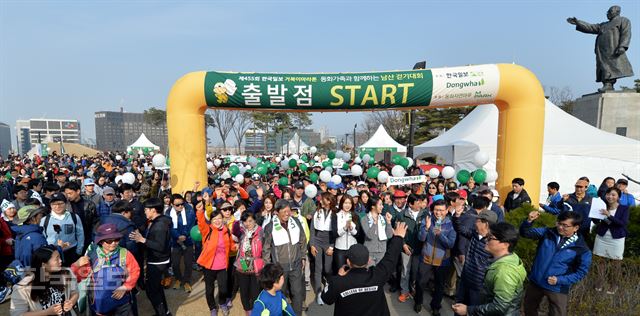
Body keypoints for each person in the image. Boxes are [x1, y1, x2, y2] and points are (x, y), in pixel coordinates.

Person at [320, 222, 408, 316]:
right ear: (368, 260)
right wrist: (398, 237)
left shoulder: (338, 282)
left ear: (348, 262)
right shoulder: (377, 275)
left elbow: (326, 299)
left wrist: (338, 277)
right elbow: (390, 258)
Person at [520, 210, 592, 316]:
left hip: (557, 287)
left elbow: (581, 272)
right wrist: (529, 221)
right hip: (536, 282)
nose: (560, 227)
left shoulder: (582, 249)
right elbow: (525, 233)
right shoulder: (548, 233)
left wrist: (560, 280)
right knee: (529, 309)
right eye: (559, 223)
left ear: (576, 228)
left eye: (565, 225)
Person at [451, 222, 526, 316]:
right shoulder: (506, 259)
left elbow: (500, 307)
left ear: (505, 244)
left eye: (490, 237)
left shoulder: (505, 271)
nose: (486, 239)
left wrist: (468, 310)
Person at [70, 223, 140, 316]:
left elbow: (135, 271)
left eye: (117, 239)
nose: (114, 243)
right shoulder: (92, 256)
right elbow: (78, 277)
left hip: (122, 303)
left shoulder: (125, 253)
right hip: (100, 304)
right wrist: (76, 265)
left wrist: (126, 287)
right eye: (109, 241)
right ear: (101, 241)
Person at [567, 5, 634, 92]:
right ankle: (607, 84)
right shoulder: (604, 25)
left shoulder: (623, 20)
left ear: (617, 12)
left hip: (614, 49)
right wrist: (578, 22)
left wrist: (622, 46)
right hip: (601, 51)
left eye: (610, 11)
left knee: (612, 67)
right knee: (603, 67)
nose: (608, 13)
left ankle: (609, 84)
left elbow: (626, 33)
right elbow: (591, 27)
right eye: (608, 12)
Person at [262, 199, 307, 316]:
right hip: (279, 267)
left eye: (289, 210)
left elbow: (302, 240)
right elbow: (266, 248)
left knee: (297, 292)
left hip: (296, 264)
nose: (287, 213)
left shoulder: (295, 222)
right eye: (284, 211)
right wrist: (268, 267)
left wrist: (303, 257)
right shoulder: (270, 227)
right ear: (277, 212)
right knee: (280, 294)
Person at [129, 197, 173, 316]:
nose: (144, 212)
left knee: (152, 291)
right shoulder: (160, 221)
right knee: (157, 289)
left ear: (153, 210)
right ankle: (165, 312)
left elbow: (159, 246)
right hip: (158, 260)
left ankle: (162, 313)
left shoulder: (159, 225)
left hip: (157, 262)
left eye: (146, 209)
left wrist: (142, 240)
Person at [452, 206, 498, 314]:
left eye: (477, 220)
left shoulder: (493, 242)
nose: (474, 222)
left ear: (485, 223)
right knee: (458, 308)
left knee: (473, 311)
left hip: (478, 286)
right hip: (465, 279)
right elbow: (460, 229)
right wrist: (457, 217)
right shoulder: (474, 234)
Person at [10, 245, 79, 316]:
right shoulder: (22, 288)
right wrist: (46, 312)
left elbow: (75, 292)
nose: (60, 261)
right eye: (56, 259)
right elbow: (18, 314)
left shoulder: (66, 273)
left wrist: (71, 302)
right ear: (44, 264)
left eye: (60, 257)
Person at [414, 199, 456, 315]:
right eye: (436, 210)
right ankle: (418, 301)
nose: (438, 213)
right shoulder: (427, 220)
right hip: (426, 258)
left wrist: (440, 234)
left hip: (442, 261)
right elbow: (421, 238)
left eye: (441, 210)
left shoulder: (450, 224)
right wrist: (426, 228)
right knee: (420, 282)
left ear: (447, 210)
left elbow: (450, 244)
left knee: (439, 286)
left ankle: (435, 307)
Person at [196, 206, 233, 316]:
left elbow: (231, 246)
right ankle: (212, 307)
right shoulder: (208, 230)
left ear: (223, 219)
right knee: (209, 290)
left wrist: (236, 246)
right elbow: (201, 223)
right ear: (211, 221)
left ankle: (222, 303)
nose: (217, 221)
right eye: (214, 219)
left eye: (219, 218)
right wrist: (199, 211)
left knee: (223, 289)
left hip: (222, 265)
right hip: (209, 266)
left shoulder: (227, 231)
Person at [592, 187, 629, 294]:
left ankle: (614, 285)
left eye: (613, 195)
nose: (610, 197)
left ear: (618, 197)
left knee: (616, 262)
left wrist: (609, 215)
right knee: (600, 261)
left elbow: (623, 223)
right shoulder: (602, 206)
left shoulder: (623, 208)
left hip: (616, 238)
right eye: (608, 194)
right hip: (602, 236)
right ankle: (600, 282)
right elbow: (595, 221)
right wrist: (594, 214)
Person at [232, 211, 265, 315]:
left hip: (256, 265)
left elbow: (266, 249)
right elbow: (234, 230)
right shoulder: (241, 232)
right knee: (244, 292)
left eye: (250, 221)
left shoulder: (261, 232)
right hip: (244, 263)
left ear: (255, 220)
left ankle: (256, 311)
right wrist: (237, 220)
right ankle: (248, 311)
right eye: (245, 221)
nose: (248, 223)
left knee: (255, 293)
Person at [396, 193, 426, 303]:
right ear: (410, 204)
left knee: (416, 271)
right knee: (405, 271)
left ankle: (413, 289)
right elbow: (398, 231)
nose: (420, 204)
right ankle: (404, 292)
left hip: (420, 249)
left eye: (421, 201)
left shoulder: (425, 214)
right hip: (406, 248)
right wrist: (403, 245)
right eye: (417, 202)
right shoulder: (402, 215)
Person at [41, 193, 85, 267]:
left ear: (66, 203)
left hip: (71, 253)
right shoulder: (45, 220)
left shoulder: (74, 217)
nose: (57, 206)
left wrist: (79, 251)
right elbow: (43, 237)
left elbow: (80, 234)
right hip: (52, 254)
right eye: (54, 204)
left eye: (60, 203)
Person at [309, 192, 336, 304]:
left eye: (323, 199)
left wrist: (332, 246)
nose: (320, 201)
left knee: (327, 268)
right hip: (317, 241)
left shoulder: (335, 213)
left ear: (329, 201)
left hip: (329, 242)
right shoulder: (317, 211)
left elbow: (335, 231)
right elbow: (312, 230)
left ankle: (328, 287)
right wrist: (312, 245)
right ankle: (319, 293)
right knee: (318, 268)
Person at [167, 194, 196, 293]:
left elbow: (191, 224)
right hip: (175, 241)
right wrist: (177, 236)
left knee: (188, 263)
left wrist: (184, 235)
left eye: (182, 204)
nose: (180, 206)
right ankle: (178, 279)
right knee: (175, 263)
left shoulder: (189, 210)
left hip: (187, 240)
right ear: (172, 204)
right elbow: (169, 227)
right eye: (177, 205)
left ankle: (187, 281)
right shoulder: (168, 212)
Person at [63, 181, 97, 252]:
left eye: (70, 193)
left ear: (78, 191)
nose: (68, 196)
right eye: (67, 194)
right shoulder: (65, 206)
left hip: (87, 238)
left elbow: (95, 222)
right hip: (71, 239)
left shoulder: (89, 205)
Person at [360, 196, 393, 266]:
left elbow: (389, 235)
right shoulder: (364, 219)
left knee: (381, 274)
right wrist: (375, 223)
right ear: (373, 206)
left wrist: (389, 222)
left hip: (382, 251)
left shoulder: (383, 218)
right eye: (380, 204)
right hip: (369, 252)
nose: (382, 207)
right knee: (369, 274)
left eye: (382, 204)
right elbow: (369, 236)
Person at [332, 195, 359, 273]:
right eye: (345, 203)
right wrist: (344, 228)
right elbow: (335, 234)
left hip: (352, 248)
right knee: (341, 271)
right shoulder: (336, 215)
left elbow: (358, 234)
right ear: (341, 203)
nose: (348, 205)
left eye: (350, 203)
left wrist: (351, 229)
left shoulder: (355, 216)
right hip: (340, 249)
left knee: (352, 272)